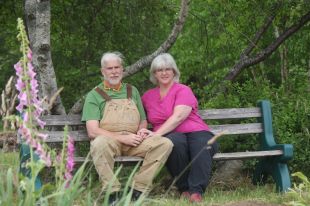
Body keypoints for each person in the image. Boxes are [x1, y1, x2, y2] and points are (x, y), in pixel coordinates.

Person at [81, 52, 173, 205]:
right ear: (103, 71)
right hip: (110, 142)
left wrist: (142, 131)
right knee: (98, 144)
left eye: (117, 67)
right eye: (109, 68)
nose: (114, 71)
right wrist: (122, 138)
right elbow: (92, 131)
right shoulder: (94, 95)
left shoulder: (132, 91)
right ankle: (113, 193)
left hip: (134, 141)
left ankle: (137, 190)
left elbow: (143, 120)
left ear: (122, 69)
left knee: (165, 144)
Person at [140, 53, 219, 203]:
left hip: (196, 131)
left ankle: (196, 191)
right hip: (171, 135)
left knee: (203, 145)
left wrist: (156, 134)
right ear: (154, 74)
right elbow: (139, 117)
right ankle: (184, 189)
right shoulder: (147, 96)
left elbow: (179, 117)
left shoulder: (183, 90)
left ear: (174, 72)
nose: (164, 73)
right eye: (159, 70)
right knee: (173, 144)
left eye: (168, 69)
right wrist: (140, 129)